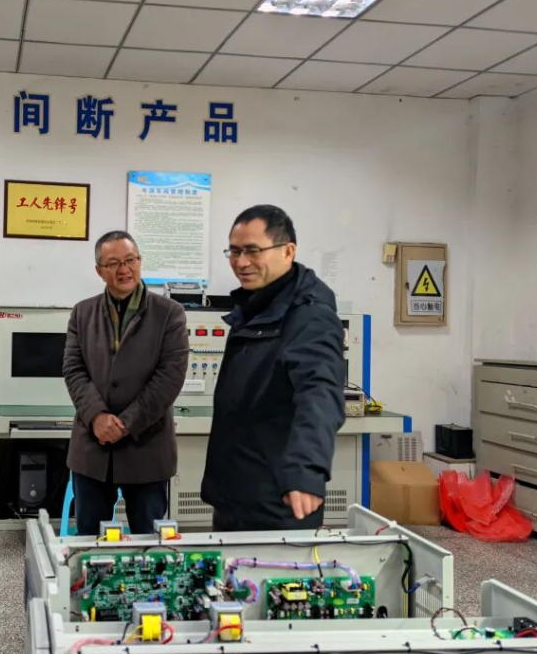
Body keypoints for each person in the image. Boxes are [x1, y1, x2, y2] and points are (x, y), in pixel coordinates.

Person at [201, 205, 345, 531]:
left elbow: (320, 391)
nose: (241, 262)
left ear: (288, 251)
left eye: (253, 250)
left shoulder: (310, 316)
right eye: (234, 251)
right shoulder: (255, 305)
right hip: (236, 493)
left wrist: (306, 471)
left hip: (279, 501)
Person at [62, 230, 189, 535]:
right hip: (92, 448)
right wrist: (97, 417)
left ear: (140, 261)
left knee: (149, 540)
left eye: (130, 260)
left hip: (147, 447)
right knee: (90, 540)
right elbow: (74, 369)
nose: (124, 269)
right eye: (113, 263)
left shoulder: (169, 314)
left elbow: (169, 377)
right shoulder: (82, 312)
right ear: (99, 270)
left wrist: (126, 424)